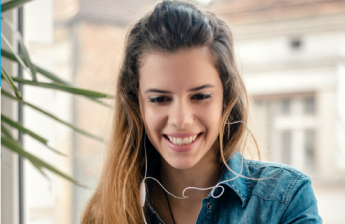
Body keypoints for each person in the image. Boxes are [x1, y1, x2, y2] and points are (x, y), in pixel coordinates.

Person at [81, 1, 322, 223]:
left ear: (226, 97)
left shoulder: (285, 199)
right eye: (159, 99)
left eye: (200, 96)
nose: (181, 120)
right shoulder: (106, 211)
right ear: (137, 105)